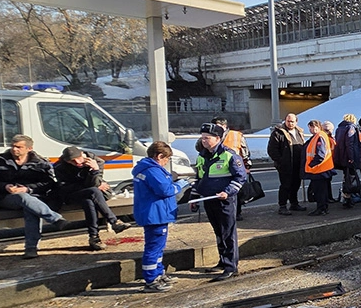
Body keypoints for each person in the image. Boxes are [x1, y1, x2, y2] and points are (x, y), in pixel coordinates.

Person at [0, 134, 69, 259]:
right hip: (5, 197)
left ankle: (31, 249)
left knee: (30, 208)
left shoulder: (40, 163)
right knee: (23, 198)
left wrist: (28, 189)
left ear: (29, 149)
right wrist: (5, 187)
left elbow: (48, 183)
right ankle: (55, 219)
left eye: (19, 147)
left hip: (34, 197)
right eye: (13, 146)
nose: (14, 149)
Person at [193, 122, 247, 282]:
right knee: (218, 232)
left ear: (217, 138)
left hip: (224, 200)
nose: (203, 141)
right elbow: (199, 179)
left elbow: (240, 177)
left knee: (228, 233)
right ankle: (223, 261)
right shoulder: (202, 156)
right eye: (202, 138)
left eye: (207, 138)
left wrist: (227, 192)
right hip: (209, 200)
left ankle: (231, 266)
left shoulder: (229, 155)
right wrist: (194, 197)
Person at [131, 141, 188, 293]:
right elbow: (165, 190)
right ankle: (151, 279)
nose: (166, 162)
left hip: (153, 213)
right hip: (155, 214)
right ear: (159, 156)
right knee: (154, 248)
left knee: (158, 247)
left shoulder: (144, 168)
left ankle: (158, 273)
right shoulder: (153, 170)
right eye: (166, 159)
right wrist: (180, 184)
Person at [53, 146, 132, 251]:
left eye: (78, 158)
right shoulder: (60, 167)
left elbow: (94, 183)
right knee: (93, 191)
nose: (77, 162)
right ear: (67, 161)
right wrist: (91, 184)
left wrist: (94, 170)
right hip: (72, 195)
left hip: (93, 195)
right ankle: (114, 221)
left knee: (88, 201)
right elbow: (65, 188)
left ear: (82, 154)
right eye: (72, 161)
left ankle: (94, 238)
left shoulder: (96, 161)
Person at [267, 112, 306, 215]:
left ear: (296, 122)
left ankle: (294, 203)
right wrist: (280, 161)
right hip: (285, 165)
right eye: (288, 121)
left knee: (296, 184)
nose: (290, 123)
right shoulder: (278, 133)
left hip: (297, 164)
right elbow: (272, 150)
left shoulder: (299, 131)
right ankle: (282, 206)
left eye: (292, 121)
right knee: (285, 185)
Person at [303, 119, 335, 215]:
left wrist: (311, 164)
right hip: (324, 168)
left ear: (316, 126)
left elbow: (320, 154)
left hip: (319, 169)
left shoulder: (319, 136)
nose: (311, 131)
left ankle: (321, 209)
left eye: (311, 128)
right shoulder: (322, 135)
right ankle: (324, 208)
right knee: (323, 190)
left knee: (319, 191)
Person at [221, 120, 252, 220]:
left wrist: (247, 166)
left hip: (235, 167)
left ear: (225, 126)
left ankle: (237, 213)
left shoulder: (236, 135)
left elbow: (245, 151)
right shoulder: (210, 136)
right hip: (218, 169)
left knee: (236, 191)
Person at [333, 113, 361, 209]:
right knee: (351, 178)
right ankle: (348, 199)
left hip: (341, 157)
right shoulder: (351, 128)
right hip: (349, 157)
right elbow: (349, 143)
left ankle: (346, 198)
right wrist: (352, 157)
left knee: (346, 178)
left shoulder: (339, 129)